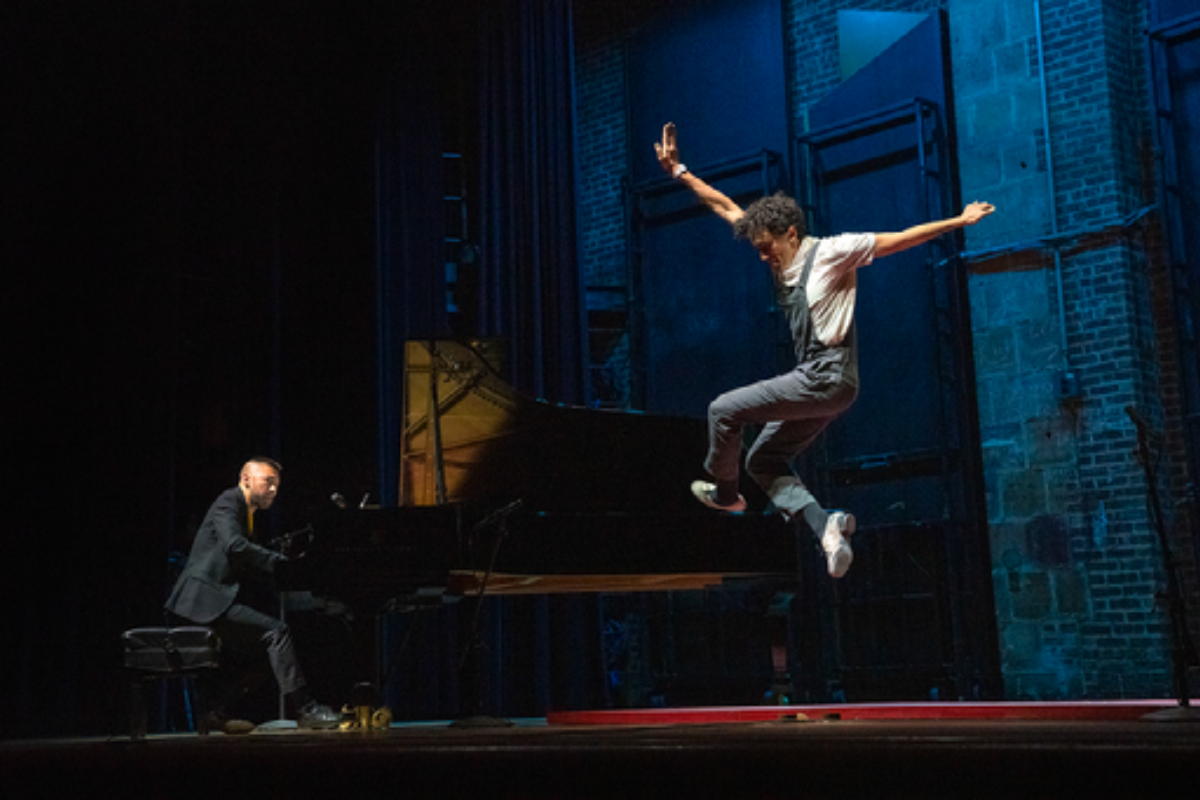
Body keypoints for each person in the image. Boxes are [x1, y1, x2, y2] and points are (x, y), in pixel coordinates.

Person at [654, 122, 994, 579]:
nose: (762, 258)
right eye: (757, 250)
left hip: (826, 377)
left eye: (767, 249)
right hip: (826, 386)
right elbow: (725, 206)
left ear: (790, 233)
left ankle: (726, 496)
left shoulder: (833, 253)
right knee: (763, 459)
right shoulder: (775, 252)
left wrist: (959, 220)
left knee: (722, 411)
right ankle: (826, 526)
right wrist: (680, 172)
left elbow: (900, 237)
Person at [165, 457, 341, 732]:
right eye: (268, 482)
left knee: (267, 655)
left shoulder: (247, 515)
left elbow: (249, 562)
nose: (273, 490)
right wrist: (278, 562)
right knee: (276, 632)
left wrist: (307, 592)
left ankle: (216, 712)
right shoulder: (229, 501)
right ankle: (307, 710)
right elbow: (235, 546)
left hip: (214, 599)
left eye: (277, 485)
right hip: (201, 599)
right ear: (246, 479)